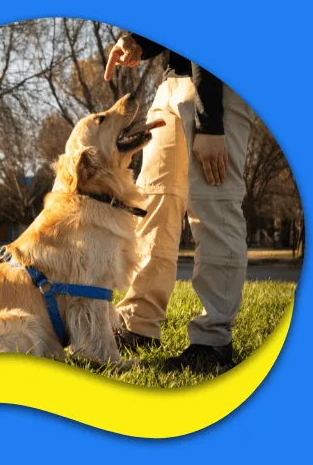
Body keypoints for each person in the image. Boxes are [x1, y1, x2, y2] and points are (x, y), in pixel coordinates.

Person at [105, 33, 254, 370]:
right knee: (154, 205)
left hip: (218, 89)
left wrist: (210, 124)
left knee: (213, 209)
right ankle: (138, 324)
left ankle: (213, 343)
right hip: (173, 82)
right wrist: (140, 42)